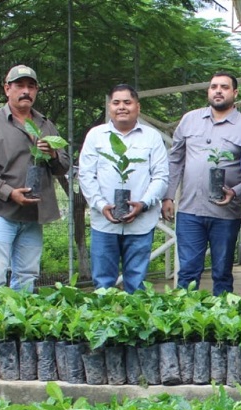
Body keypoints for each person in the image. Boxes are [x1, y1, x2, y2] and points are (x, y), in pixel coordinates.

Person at [0, 65, 70, 307]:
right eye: (19, 86)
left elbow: (64, 166)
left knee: (27, 275)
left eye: (31, 86)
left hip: (33, 213)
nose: (25, 91)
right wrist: (9, 192)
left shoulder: (45, 125)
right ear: (7, 89)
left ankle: (16, 327)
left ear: (36, 91)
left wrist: (53, 155)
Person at [164, 71, 241, 294]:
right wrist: (168, 196)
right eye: (214, 87)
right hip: (189, 211)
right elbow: (175, 160)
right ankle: (185, 322)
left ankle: (221, 323)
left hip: (225, 214)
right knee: (187, 272)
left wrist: (236, 191)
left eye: (224, 87)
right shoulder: (190, 119)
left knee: (222, 272)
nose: (218, 91)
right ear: (209, 91)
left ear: (235, 92)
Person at [78, 84, 169, 293]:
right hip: (104, 223)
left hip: (141, 223)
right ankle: (104, 321)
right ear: (110, 106)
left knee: (136, 284)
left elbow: (161, 176)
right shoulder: (96, 135)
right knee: (102, 283)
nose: (122, 107)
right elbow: (85, 175)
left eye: (127, 102)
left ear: (137, 106)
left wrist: (144, 204)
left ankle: (134, 323)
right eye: (116, 102)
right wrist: (101, 206)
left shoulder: (152, 137)